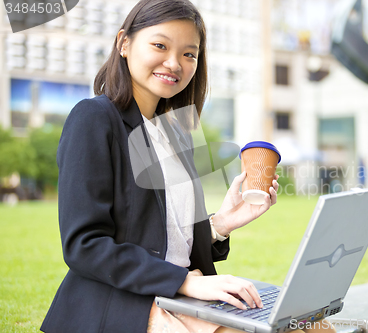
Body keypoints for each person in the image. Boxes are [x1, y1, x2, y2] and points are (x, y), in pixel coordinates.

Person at [41, 1, 336, 333]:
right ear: (124, 43)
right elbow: (84, 244)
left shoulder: (176, 133)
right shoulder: (94, 118)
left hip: (180, 294)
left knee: (312, 324)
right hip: (124, 301)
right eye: (160, 45)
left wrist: (221, 224)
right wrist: (184, 281)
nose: (174, 62)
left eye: (189, 54)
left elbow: (164, 239)